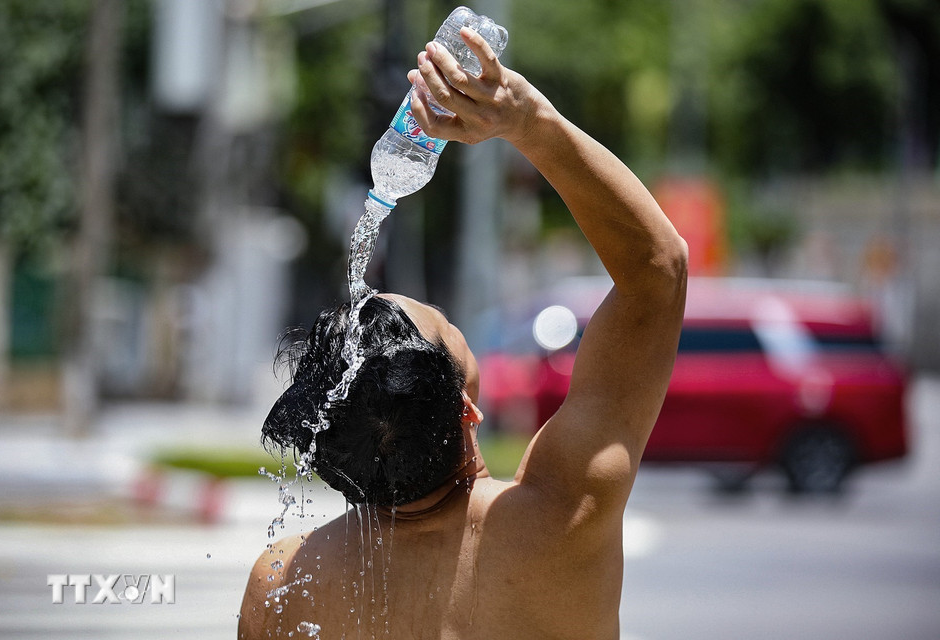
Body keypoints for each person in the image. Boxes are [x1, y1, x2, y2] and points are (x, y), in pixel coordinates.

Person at [239, 27, 687, 640]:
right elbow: (658, 271)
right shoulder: (559, 520)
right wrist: (528, 121)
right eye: (448, 326)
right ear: (467, 412)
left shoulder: (283, 582)